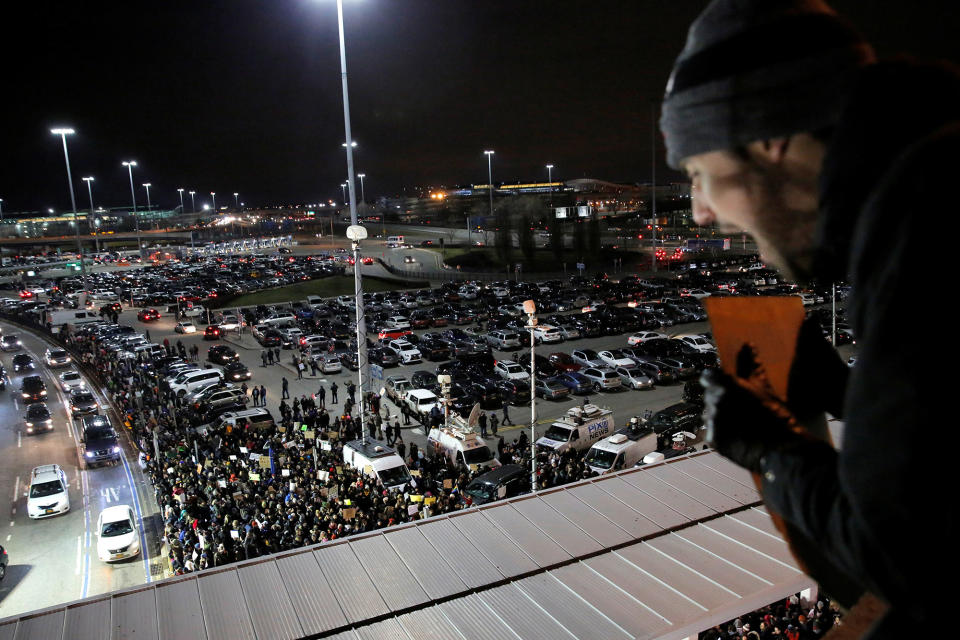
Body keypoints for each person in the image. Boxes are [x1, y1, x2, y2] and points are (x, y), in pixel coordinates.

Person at [660, 0, 956, 634]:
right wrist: (860, 398)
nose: (700, 214)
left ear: (769, 139)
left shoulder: (927, 228)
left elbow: (914, 563)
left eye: (699, 174)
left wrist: (772, 452)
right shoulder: (927, 184)